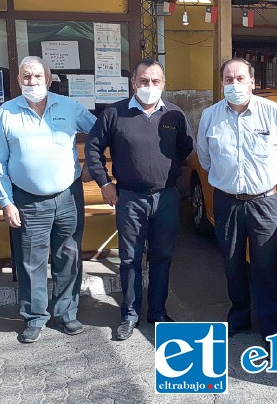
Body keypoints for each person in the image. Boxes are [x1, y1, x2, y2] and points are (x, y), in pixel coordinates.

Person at [85, 58, 194, 341]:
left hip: (166, 198)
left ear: (163, 84)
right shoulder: (115, 114)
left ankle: (157, 312)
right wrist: (105, 183)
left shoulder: (175, 116)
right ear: (133, 83)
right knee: (130, 259)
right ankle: (129, 314)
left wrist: (164, 174)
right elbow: (93, 149)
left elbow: (186, 149)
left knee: (162, 257)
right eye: (143, 81)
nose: (149, 86)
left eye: (155, 81)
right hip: (130, 199)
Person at [0, 56, 96, 343]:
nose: (32, 82)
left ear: (48, 80)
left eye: (38, 76)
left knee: (69, 256)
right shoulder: (6, 113)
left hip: (67, 196)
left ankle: (66, 313)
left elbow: (101, 133)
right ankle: (34, 317)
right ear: (19, 80)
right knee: (30, 261)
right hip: (27, 200)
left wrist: (92, 165)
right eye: (27, 77)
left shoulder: (70, 107)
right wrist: (6, 202)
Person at [196, 58, 277, 341]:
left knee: (265, 266)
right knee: (232, 263)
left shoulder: (273, 113)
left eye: (241, 78)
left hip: (263, 202)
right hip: (227, 201)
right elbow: (204, 157)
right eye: (229, 79)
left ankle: (272, 328)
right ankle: (239, 315)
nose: (235, 84)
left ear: (252, 82)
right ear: (222, 84)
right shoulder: (210, 117)